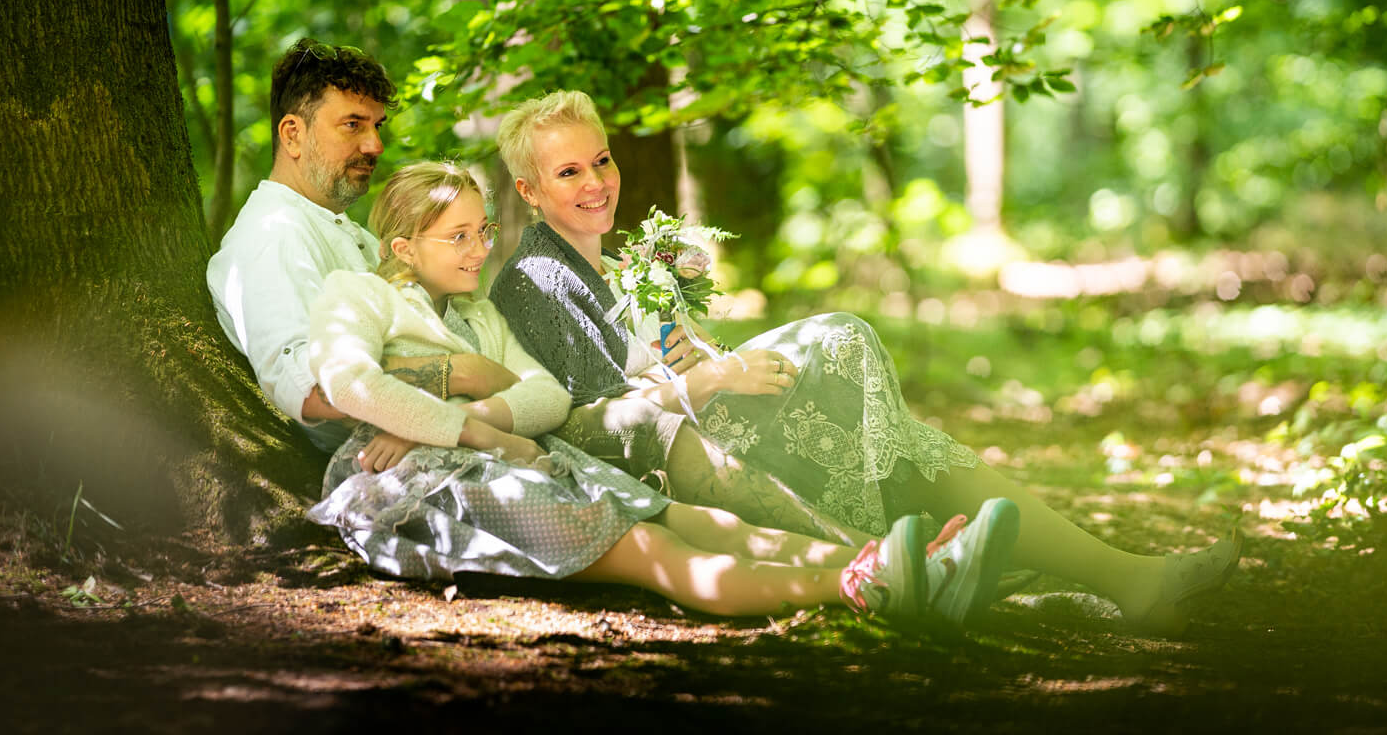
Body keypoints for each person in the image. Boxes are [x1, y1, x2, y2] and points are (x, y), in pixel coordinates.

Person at [489, 90, 1241, 636]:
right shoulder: (533, 281)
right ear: (528, 190)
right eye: (568, 173)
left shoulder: (621, 262)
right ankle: (1001, 580)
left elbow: (666, 361)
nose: (597, 183)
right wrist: (715, 376)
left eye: (602, 160)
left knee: (904, 437)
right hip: (672, 460)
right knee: (848, 360)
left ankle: (1127, 578)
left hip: (710, 420)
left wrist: (702, 352)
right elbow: (588, 422)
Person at [304, 160, 1020, 627]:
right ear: (403, 248)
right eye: (457, 236)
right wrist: (475, 425)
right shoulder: (357, 294)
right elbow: (350, 382)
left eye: (482, 230)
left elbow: (545, 397)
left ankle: (908, 563)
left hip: (521, 455)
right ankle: (865, 583)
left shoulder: (481, 317)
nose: (479, 249)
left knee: (700, 520)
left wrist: (461, 402)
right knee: (653, 547)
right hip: (417, 481)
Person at [207, 39, 514, 459]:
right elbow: (312, 388)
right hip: (400, 466)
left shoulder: (340, 229)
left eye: (377, 126)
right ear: (293, 135)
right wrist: (457, 374)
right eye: (353, 124)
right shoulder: (271, 235)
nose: (375, 146)